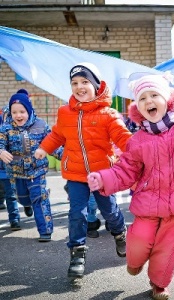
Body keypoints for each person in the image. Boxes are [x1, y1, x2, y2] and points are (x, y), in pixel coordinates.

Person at [87, 73, 174, 299]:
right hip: (148, 201)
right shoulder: (138, 140)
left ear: (167, 99)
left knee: (168, 248)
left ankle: (159, 284)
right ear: (137, 108)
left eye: (154, 95)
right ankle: (135, 261)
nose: (148, 101)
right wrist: (104, 178)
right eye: (142, 98)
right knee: (138, 240)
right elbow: (126, 170)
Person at [34, 62, 132, 279]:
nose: (79, 86)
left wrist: (139, 154)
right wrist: (44, 148)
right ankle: (77, 253)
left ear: (96, 85)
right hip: (76, 174)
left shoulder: (108, 114)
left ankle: (119, 233)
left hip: (103, 174)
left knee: (110, 210)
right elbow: (57, 135)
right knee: (77, 214)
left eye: (85, 82)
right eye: (74, 83)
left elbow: (124, 138)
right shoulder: (65, 112)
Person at [0, 89, 62, 241]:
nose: (18, 115)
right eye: (14, 112)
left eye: (22, 111)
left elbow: (52, 144)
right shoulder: (6, 128)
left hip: (37, 170)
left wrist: (66, 157)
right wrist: (1, 151)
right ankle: (26, 204)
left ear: (28, 110)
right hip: (16, 172)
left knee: (39, 199)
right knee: (22, 199)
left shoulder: (40, 125)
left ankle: (45, 231)